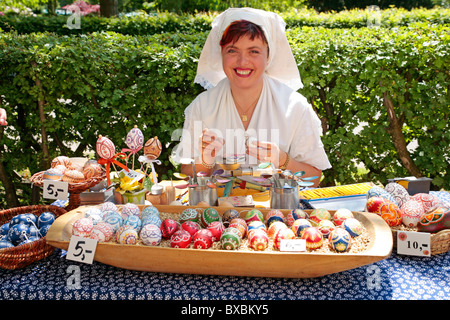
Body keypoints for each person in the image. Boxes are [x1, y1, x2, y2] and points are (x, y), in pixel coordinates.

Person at [173, 8, 331, 187]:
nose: (242, 62)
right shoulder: (202, 107)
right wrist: (206, 160)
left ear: (268, 56)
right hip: (218, 212)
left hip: (277, 211)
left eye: (253, 51)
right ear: (221, 53)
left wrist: (282, 160)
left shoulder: (295, 107)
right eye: (232, 50)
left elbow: (314, 179)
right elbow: (187, 178)